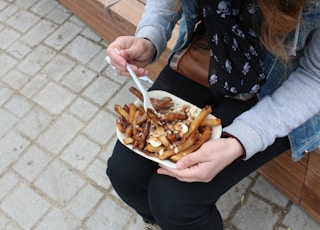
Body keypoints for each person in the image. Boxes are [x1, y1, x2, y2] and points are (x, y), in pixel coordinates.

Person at [106, 0, 320, 229]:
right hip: (212, 48)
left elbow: (315, 77)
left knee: (175, 202)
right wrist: (148, 38)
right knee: (125, 174)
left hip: (283, 84)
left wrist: (239, 141)